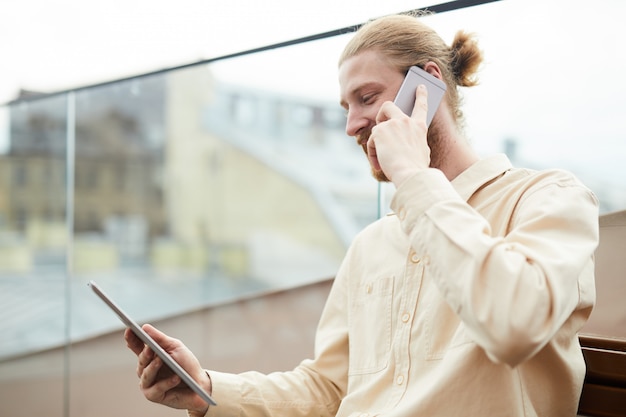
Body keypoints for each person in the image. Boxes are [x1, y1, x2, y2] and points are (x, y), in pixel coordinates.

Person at [125, 13, 599, 417]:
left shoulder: (549, 197)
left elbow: (514, 323)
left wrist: (414, 177)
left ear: (428, 85)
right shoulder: (372, 245)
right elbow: (329, 389)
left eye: (367, 98)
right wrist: (206, 388)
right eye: (347, 107)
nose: (352, 124)